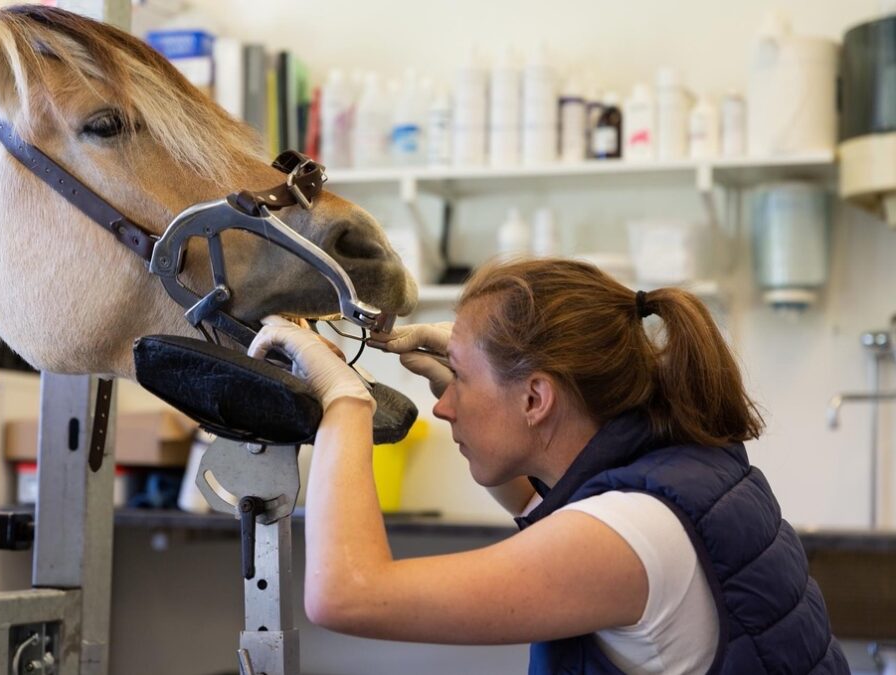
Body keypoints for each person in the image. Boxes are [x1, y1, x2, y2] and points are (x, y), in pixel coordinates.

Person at [247, 258, 849, 675]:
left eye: (459, 379)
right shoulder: (681, 470)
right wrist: (461, 366)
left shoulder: (632, 535)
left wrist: (344, 401)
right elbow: (546, 513)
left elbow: (347, 595)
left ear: (536, 399)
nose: (444, 406)